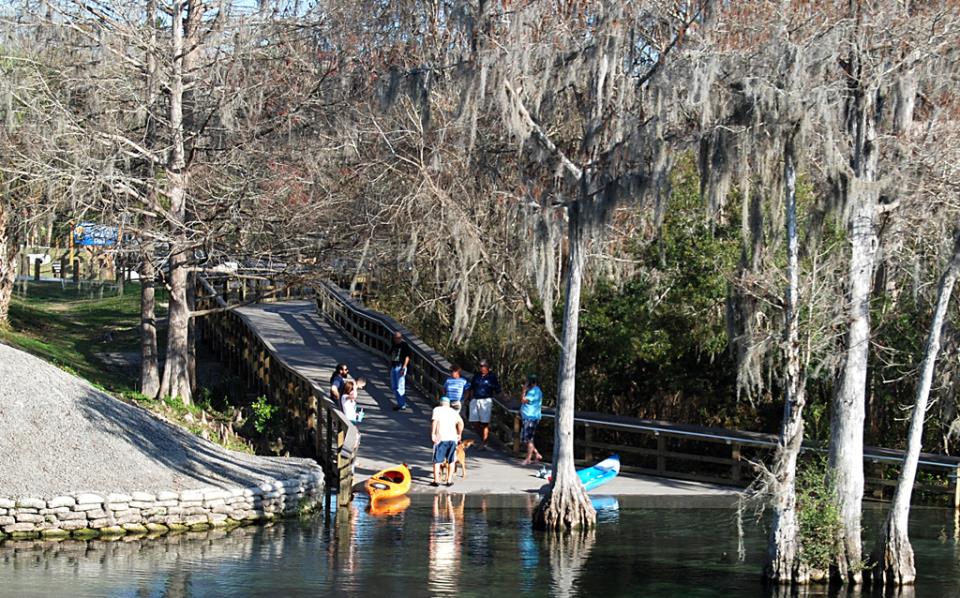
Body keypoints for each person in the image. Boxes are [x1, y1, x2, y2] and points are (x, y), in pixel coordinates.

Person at [468, 359, 501, 450]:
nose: (481, 368)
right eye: (480, 366)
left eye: (483, 366)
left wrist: (505, 397)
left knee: (484, 423)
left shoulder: (492, 376)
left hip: (486, 400)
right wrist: (470, 398)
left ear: (487, 367)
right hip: (475, 399)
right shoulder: (477, 375)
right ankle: (484, 438)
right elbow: (472, 387)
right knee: (473, 422)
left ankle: (484, 442)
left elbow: (497, 389)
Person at [431, 396, 464, 487]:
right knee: (451, 460)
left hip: (441, 438)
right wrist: (459, 434)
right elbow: (461, 423)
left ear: (440, 403)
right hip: (452, 438)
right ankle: (449, 481)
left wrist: (433, 434)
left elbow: (435, 421)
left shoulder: (437, 409)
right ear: (449, 404)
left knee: (437, 460)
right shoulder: (454, 412)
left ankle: (436, 480)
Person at [519, 374, 543, 465]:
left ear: (530, 382)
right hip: (528, 417)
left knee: (528, 439)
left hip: (531, 418)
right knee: (526, 439)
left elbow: (524, 400)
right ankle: (537, 454)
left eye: (527, 382)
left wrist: (523, 390)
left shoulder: (534, 391)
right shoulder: (534, 390)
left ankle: (528, 459)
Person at [389, 331, 412, 411]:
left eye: (399, 338)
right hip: (394, 366)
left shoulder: (404, 345)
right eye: (395, 338)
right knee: (394, 386)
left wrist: (404, 367)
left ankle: (402, 404)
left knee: (400, 386)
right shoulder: (394, 344)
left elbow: (407, 357)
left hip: (400, 367)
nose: (397, 339)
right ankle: (399, 403)